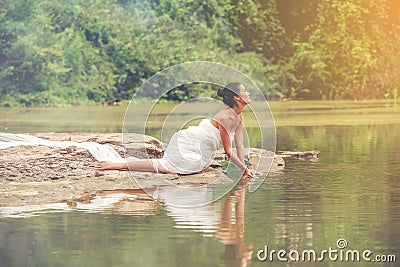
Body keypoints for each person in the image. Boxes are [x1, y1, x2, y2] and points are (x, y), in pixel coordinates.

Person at [95, 82, 256, 178]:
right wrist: (245, 169)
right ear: (237, 97)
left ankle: (122, 165)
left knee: (174, 166)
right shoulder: (226, 117)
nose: (248, 94)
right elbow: (228, 151)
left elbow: (240, 146)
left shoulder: (239, 116)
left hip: (201, 147)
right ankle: (119, 166)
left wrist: (244, 170)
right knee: (166, 166)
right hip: (189, 142)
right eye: (245, 91)